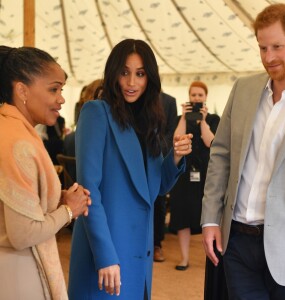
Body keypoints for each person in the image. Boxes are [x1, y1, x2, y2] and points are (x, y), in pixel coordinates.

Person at [68, 38, 193, 300]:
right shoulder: (95, 112)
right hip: (105, 249)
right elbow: (89, 192)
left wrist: (175, 158)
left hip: (139, 252)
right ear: (113, 73)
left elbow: (157, 188)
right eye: (124, 73)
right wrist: (105, 255)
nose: (132, 82)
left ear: (150, 78)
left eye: (140, 74)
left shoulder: (149, 121)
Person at [201, 3, 285, 300]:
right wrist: (209, 220)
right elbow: (220, 154)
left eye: (277, 47)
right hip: (237, 242)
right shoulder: (243, 88)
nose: (268, 57)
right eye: (262, 48)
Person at [0, 46, 91, 300]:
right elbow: (23, 234)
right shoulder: (18, 143)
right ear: (22, 90)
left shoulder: (10, 128)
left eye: (61, 90)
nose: (61, 98)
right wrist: (69, 210)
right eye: (54, 89)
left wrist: (55, 197)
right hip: (18, 273)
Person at [169, 81, 220, 271]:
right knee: (182, 213)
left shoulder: (214, 119)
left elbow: (210, 142)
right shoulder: (179, 119)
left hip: (207, 174)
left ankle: (212, 258)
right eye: (194, 95)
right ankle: (184, 258)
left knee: (210, 213)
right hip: (183, 173)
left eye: (200, 95)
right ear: (189, 97)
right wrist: (184, 118)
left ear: (206, 97)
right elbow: (176, 139)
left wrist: (203, 122)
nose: (197, 98)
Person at [153, 92, 178, 262]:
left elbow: (171, 131)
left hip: (159, 155)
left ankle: (157, 244)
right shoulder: (135, 96)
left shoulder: (169, 100)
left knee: (159, 201)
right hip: (137, 155)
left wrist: (160, 147)